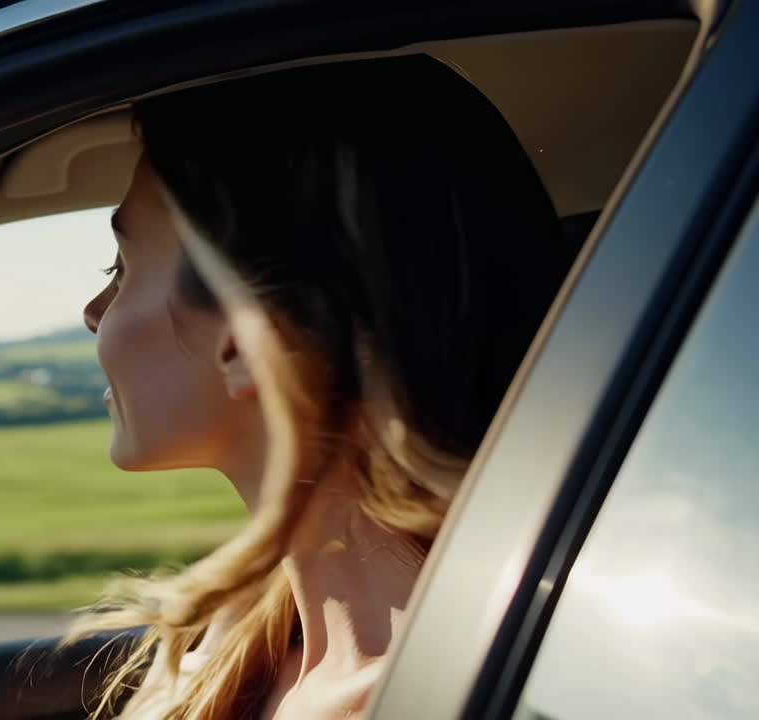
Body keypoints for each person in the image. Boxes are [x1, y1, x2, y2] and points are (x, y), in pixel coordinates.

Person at [68, 55, 575, 719]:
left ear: (246, 336)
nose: (93, 313)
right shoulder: (231, 646)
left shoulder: (405, 700)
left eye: (123, 267)